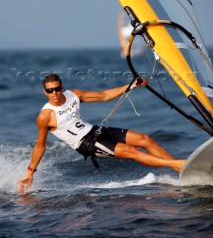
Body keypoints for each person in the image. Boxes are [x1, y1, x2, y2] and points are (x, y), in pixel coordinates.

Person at [17, 74, 185, 193]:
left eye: (57, 88)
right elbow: (40, 146)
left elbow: (104, 95)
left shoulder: (74, 95)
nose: (54, 93)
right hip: (86, 144)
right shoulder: (45, 116)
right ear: (44, 92)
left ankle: (182, 172)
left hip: (96, 130)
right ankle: (175, 165)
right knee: (132, 152)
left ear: (62, 87)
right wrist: (30, 173)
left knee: (145, 139)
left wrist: (131, 85)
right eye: (50, 90)